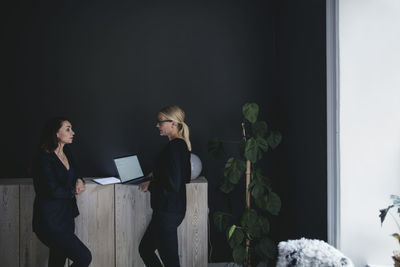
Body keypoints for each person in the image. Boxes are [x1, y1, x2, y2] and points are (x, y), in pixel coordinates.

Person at [32, 117, 92, 267]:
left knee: (58, 260)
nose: (73, 132)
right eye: (68, 129)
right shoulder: (43, 158)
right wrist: (73, 190)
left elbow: (75, 174)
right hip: (50, 221)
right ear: (56, 133)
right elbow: (52, 190)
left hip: (66, 218)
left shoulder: (67, 152)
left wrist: (80, 180)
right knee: (84, 257)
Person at [138, 105, 191, 267]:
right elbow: (185, 177)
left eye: (160, 122)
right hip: (170, 210)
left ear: (173, 123)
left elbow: (174, 183)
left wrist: (151, 183)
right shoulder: (181, 145)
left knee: (171, 262)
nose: (157, 125)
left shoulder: (175, 147)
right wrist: (154, 174)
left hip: (167, 212)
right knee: (145, 249)